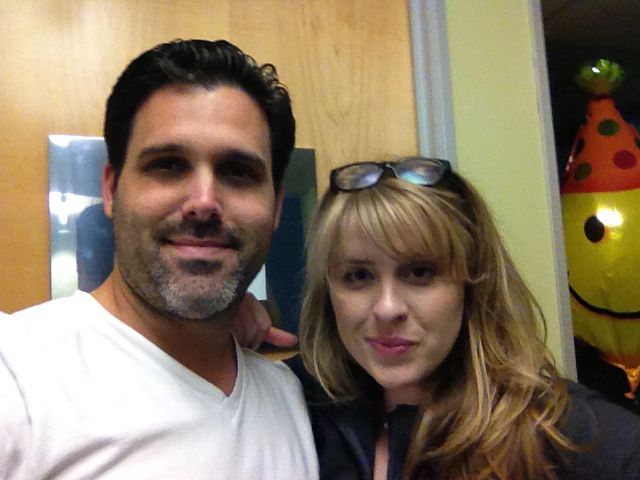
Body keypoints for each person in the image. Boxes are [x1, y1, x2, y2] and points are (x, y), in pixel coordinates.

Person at [0, 39, 318, 479]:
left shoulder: (288, 397)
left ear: (277, 205)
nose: (203, 203)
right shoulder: (18, 371)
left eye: (237, 172)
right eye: (168, 165)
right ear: (111, 189)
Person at [284, 156, 640, 479]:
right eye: (358, 276)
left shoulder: (563, 432)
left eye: (420, 272)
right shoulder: (296, 409)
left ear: (473, 283)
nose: (387, 308)